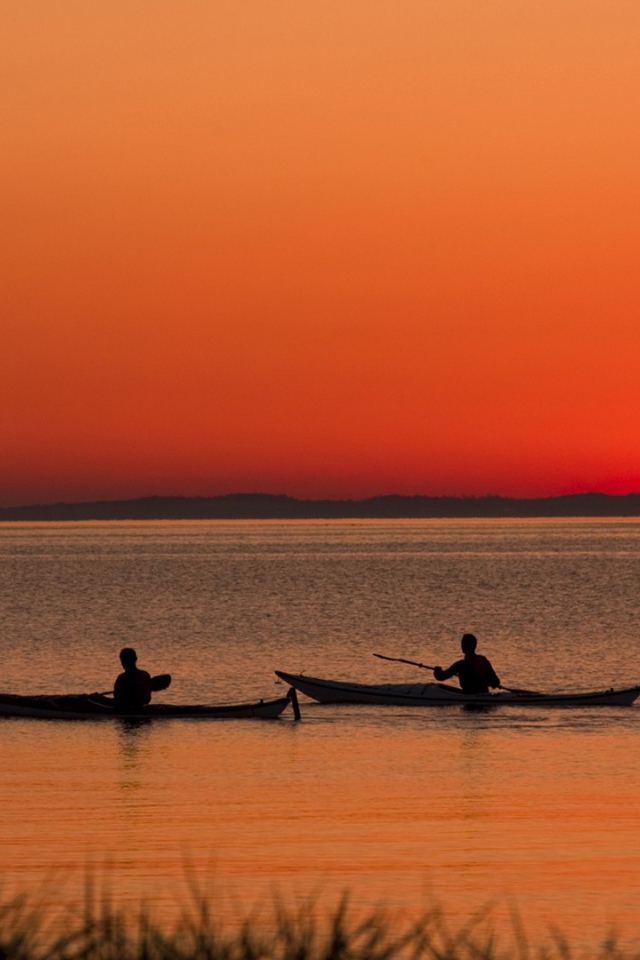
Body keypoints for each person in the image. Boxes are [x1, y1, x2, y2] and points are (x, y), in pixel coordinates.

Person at [433, 633, 501, 695]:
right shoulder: (483, 660)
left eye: (462, 644)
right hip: (484, 693)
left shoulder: (461, 665)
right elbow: (496, 682)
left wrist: (437, 671)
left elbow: (441, 677)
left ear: (463, 647)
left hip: (470, 695)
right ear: (475, 646)